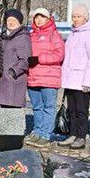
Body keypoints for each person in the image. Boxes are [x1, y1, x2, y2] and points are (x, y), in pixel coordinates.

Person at [58, 6, 90, 149]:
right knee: (72, 110)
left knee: (82, 110)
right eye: (74, 17)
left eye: (79, 17)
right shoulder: (72, 34)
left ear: (85, 18)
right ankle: (73, 134)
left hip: (81, 80)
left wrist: (88, 81)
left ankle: (81, 136)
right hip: (70, 79)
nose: (75, 19)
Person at [26, 8, 66, 147]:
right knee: (37, 107)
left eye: (42, 17)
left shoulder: (54, 35)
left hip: (49, 78)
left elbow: (59, 55)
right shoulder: (31, 35)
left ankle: (45, 134)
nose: (39, 20)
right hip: (33, 77)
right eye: (36, 17)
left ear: (48, 19)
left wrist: (39, 59)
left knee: (49, 107)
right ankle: (37, 132)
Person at [0, 9, 32, 108]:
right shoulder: (4, 37)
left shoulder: (22, 37)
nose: (10, 23)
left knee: (12, 116)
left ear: (19, 22)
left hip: (14, 81)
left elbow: (25, 60)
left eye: (14, 20)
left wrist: (13, 72)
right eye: (8, 20)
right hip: (2, 81)